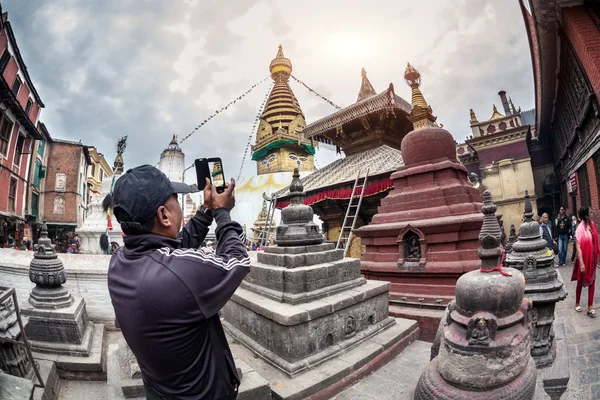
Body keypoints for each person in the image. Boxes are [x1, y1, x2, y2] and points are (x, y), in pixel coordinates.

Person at [107, 165, 249, 400]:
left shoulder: (119, 261)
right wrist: (222, 212)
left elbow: (174, 247)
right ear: (164, 215)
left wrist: (206, 210)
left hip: (161, 391)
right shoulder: (177, 274)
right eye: (176, 201)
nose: (180, 207)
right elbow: (238, 261)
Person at [571, 206, 598, 316]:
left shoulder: (592, 225)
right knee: (580, 281)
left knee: (592, 280)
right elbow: (578, 247)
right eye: (591, 212)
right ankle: (577, 303)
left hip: (592, 258)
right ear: (586, 215)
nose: (592, 214)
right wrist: (581, 263)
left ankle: (590, 306)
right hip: (583, 258)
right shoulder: (580, 229)